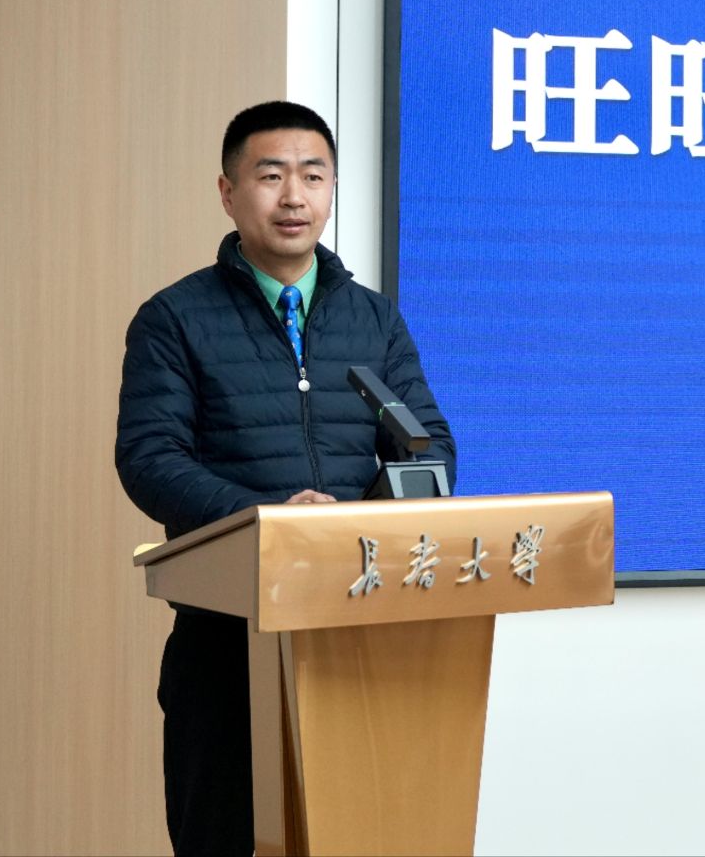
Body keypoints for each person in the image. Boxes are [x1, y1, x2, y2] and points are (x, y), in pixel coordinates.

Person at [115, 101, 456, 856]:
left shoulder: (374, 320)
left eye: (313, 176)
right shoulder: (175, 319)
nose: (294, 196)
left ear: (331, 189)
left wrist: (350, 526)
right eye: (271, 176)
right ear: (228, 192)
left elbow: (428, 451)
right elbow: (150, 459)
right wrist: (269, 519)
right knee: (227, 836)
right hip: (227, 640)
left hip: (357, 629)